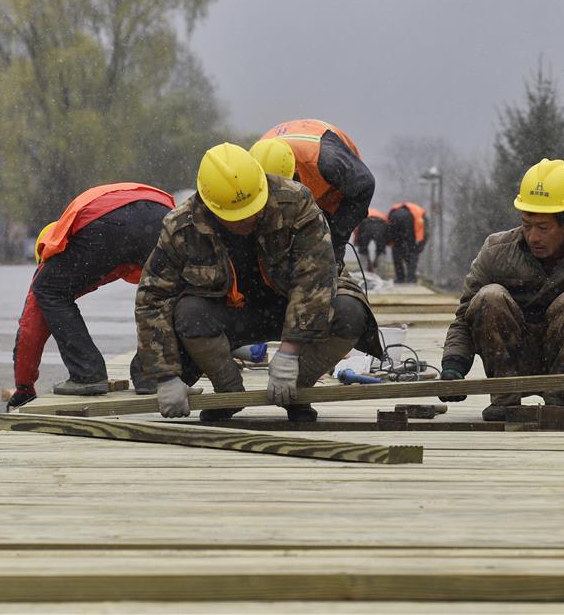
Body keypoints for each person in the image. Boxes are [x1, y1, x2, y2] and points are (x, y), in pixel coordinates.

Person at [135, 143, 382, 423]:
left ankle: (295, 391)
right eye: (235, 216)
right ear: (210, 205)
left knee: (350, 312)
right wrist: (166, 375)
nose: (247, 220)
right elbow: (152, 298)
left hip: (292, 308)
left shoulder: (296, 202)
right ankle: (228, 393)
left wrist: (290, 351)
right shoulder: (181, 226)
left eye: (252, 209)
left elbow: (317, 276)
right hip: (230, 314)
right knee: (189, 313)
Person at [438, 158, 564, 421]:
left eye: (543, 228)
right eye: (527, 225)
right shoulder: (496, 251)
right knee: (488, 297)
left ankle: (558, 402)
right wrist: (454, 364)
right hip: (509, 355)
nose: (533, 237)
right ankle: (505, 402)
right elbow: (463, 319)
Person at [8, 183, 176, 408]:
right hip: (161, 211)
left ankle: (87, 373)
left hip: (107, 221)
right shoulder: (83, 242)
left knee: (48, 290)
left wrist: (24, 387)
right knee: (169, 292)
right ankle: (151, 372)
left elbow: (31, 327)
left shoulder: (59, 249)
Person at [249, 119, 375, 267]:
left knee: (324, 254)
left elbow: (365, 186)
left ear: (294, 170)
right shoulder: (253, 161)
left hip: (334, 191)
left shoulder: (329, 161)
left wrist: (336, 237)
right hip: (308, 176)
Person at [388, 202, 427, 283]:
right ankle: (411, 278)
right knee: (413, 253)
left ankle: (400, 278)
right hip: (409, 221)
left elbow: (388, 227)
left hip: (394, 217)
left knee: (396, 250)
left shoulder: (396, 210)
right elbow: (425, 233)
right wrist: (420, 246)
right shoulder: (421, 215)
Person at [353, 208, 390, 272]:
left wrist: (357, 242)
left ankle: (363, 270)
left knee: (363, 249)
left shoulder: (361, 214)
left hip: (365, 223)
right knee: (381, 249)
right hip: (381, 224)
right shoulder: (379, 214)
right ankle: (381, 271)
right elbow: (387, 230)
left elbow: (357, 230)